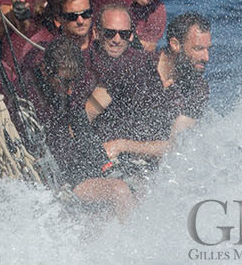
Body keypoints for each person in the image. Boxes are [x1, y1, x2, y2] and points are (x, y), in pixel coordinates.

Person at [23, 37, 135, 219]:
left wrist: (106, 167)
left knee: (136, 187)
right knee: (119, 191)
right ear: (45, 70)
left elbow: (83, 130)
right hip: (58, 179)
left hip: (76, 168)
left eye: (73, 82)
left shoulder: (66, 89)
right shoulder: (29, 96)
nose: (69, 90)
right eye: (65, 82)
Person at [90, 12, 212, 162]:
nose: (206, 57)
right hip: (101, 157)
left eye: (208, 49)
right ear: (175, 45)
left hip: (145, 169)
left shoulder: (198, 89)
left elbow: (175, 145)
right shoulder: (133, 66)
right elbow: (87, 114)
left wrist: (122, 146)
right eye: (198, 49)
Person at [88, 2, 141, 84]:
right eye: (109, 33)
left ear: (131, 35)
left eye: (124, 34)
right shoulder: (84, 62)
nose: (117, 40)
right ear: (96, 33)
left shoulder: (141, 63)